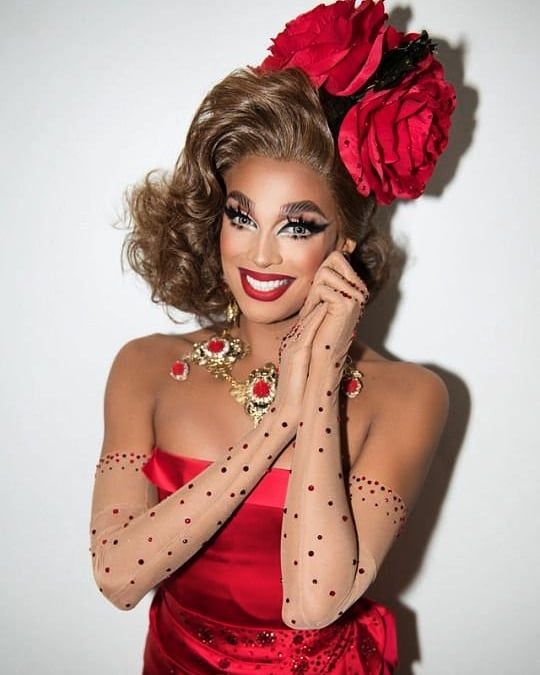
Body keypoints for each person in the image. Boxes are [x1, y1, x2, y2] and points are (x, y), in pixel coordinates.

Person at [89, 1, 456, 672]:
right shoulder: (143, 368)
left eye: (297, 225)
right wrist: (277, 421)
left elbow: (315, 603)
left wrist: (315, 387)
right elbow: (116, 576)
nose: (259, 253)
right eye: (241, 215)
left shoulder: (411, 397)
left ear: (342, 242)